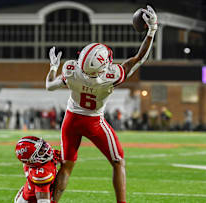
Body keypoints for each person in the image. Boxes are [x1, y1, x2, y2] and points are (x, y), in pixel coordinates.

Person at [45, 6, 158, 203]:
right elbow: (139, 59)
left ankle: (52, 202)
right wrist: (152, 30)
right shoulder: (110, 77)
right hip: (94, 122)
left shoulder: (71, 70)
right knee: (118, 162)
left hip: (71, 119)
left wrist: (54, 67)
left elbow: (49, 86)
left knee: (66, 166)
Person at [14, 136, 61, 203]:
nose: (46, 150)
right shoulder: (40, 173)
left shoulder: (43, 157)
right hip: (29, 200)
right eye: (40, 151)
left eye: (43, 146)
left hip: (29, 192)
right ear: (32, 160)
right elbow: (43, 200)